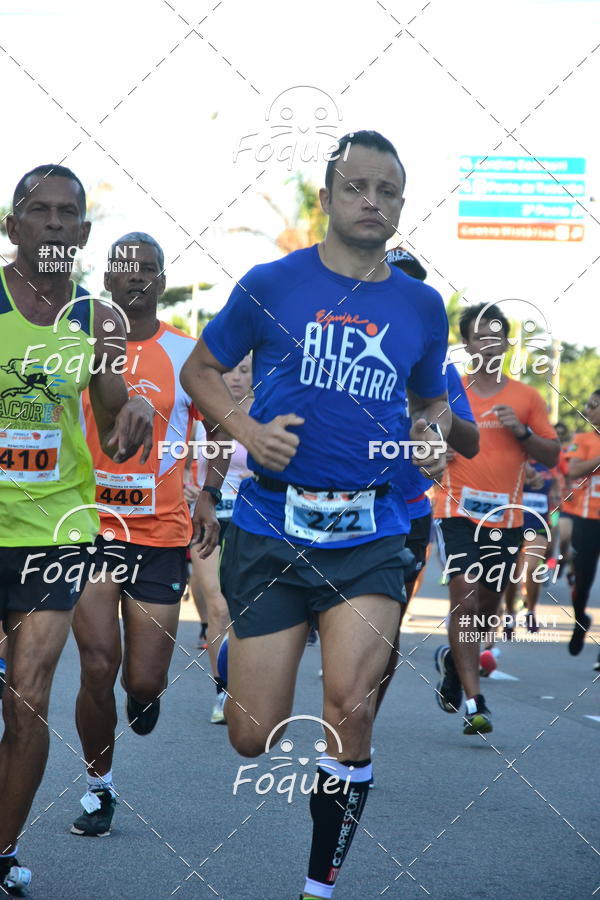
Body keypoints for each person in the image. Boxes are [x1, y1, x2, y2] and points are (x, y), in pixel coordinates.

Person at [181, 130, 452, 900]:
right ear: (328, 198)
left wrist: (428, 430)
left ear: (401, 204)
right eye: (358, 187)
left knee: (349, 706)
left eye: (388, 191)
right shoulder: (272, 283)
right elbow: (201, 370)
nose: (373, 201)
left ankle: (318, 887)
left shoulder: (420, 303)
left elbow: (430, 396)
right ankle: (232, 652)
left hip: (371, 530)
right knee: (251, 735)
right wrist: (248, 433)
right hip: (271, 528)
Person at [0, 167, 153, 895]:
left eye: (69, 214)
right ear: (13, 226)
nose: (55, 224)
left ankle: (0, 855)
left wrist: (136, 422)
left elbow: (116, 437)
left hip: (55, 533)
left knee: (28, 699)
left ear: (85, 234)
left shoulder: (99, 322)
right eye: (40, 211)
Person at [69, 233, 228, 839]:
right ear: (107, 280)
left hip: (161, 534)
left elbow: (220, 427)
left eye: (149, 270)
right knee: (96, 663)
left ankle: (143, 695)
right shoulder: (77, 346)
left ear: (162, 282)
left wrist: (208, 492)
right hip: (88, 529)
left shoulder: (187, 355)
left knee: (143, 678)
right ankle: (97, 788)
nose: (136, 278)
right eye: (124, 269)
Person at [433, 302, 559, 735]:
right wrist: (437, 451)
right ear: (466, 344)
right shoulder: (451, 391)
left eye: (496, 335)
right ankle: (475, 701)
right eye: (478, 335)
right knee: (465, 601)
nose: (488, 342)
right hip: (454, 509)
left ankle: (454, 661)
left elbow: (553, 454)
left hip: (506, 519)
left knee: (486, 607)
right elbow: (418, 439)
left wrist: (521, 432)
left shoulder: (527, 398)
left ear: (507, 343)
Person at [374, 250, 479, 718]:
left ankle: (356, 736)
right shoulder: (339, 345)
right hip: (328, 506)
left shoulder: (438, 368)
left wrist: (433, 412)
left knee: (382, 630)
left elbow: (471, 442)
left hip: (405, 514)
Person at [187, 354, 253, 724]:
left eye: (244, 370)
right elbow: (176, 458)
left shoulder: (263, 415)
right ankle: (223, 691)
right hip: (207, 518)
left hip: (252, 522)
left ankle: (248, 684)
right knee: (217, 605)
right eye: (229, 370)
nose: (236, 378)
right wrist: (183, 485)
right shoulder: (200, 414)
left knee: (244, 607)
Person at [563, 390, 600, 660]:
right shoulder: (582, 439)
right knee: (582, 582)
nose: (588, 411)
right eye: (587, 405)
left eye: (594, 406)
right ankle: (579, 622)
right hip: (588, 519)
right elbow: (573, 470)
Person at [503, 462, 558, 635]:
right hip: (514, 524)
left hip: (539, 526)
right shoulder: (514, 457)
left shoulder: (550, 463)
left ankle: (531, 611)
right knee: (512, 574)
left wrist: (554, 530)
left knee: (533, 568)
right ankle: (510, 612)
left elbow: (555, 498)